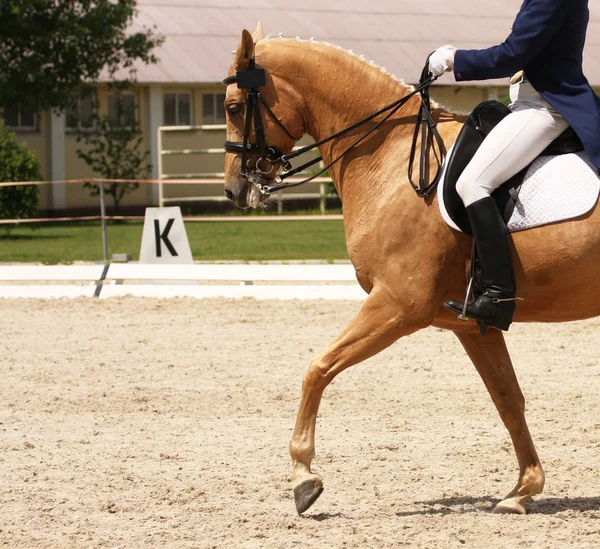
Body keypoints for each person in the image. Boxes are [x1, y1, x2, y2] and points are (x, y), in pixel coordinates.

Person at [428, 0, 600, 331]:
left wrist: (455, 59)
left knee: (473, 183)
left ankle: (497, 295)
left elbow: (512, 54)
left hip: (545, 106)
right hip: (528, 102)